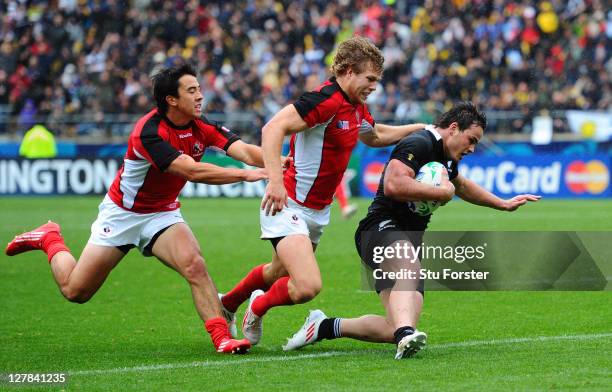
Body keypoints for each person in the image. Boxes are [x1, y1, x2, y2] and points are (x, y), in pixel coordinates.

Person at [5, 64, 270, 355]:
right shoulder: (148, 132)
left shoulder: (200, 124)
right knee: (75, 291)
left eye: (199, 89)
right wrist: (246, 174)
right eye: (192, 90)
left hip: (162, 214)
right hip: (123, 215)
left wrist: (275, 162)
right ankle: (50, 238)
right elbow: (192, 171)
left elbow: (243, 150)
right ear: (171, 99)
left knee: (194, 264)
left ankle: (222, 338)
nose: (200, 96)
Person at [282, 102, 541, 359]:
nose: (472, 148)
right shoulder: (419, 143)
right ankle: (405, 334)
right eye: (471, 140)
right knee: (409, 283)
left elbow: (460, 185)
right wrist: (442, 191)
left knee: (392, 327)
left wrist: (503, 204)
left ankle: (325, 326)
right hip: (379, 229)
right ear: (453, 128)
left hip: (409, 240)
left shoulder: (446, 158)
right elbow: (394, 184)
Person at [217, 36, 427, 346]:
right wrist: (274, 182)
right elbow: (272, 128)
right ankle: (258, 306)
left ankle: (229, 302)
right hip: (287, 202)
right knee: (307, 285)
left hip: (317, 211)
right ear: (348, 71)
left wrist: (418, 128)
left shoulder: (356, 107)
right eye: (369, 78)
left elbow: (376, 135)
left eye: (377, 80)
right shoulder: (324, 100)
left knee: (277, 271)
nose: (373, 86)